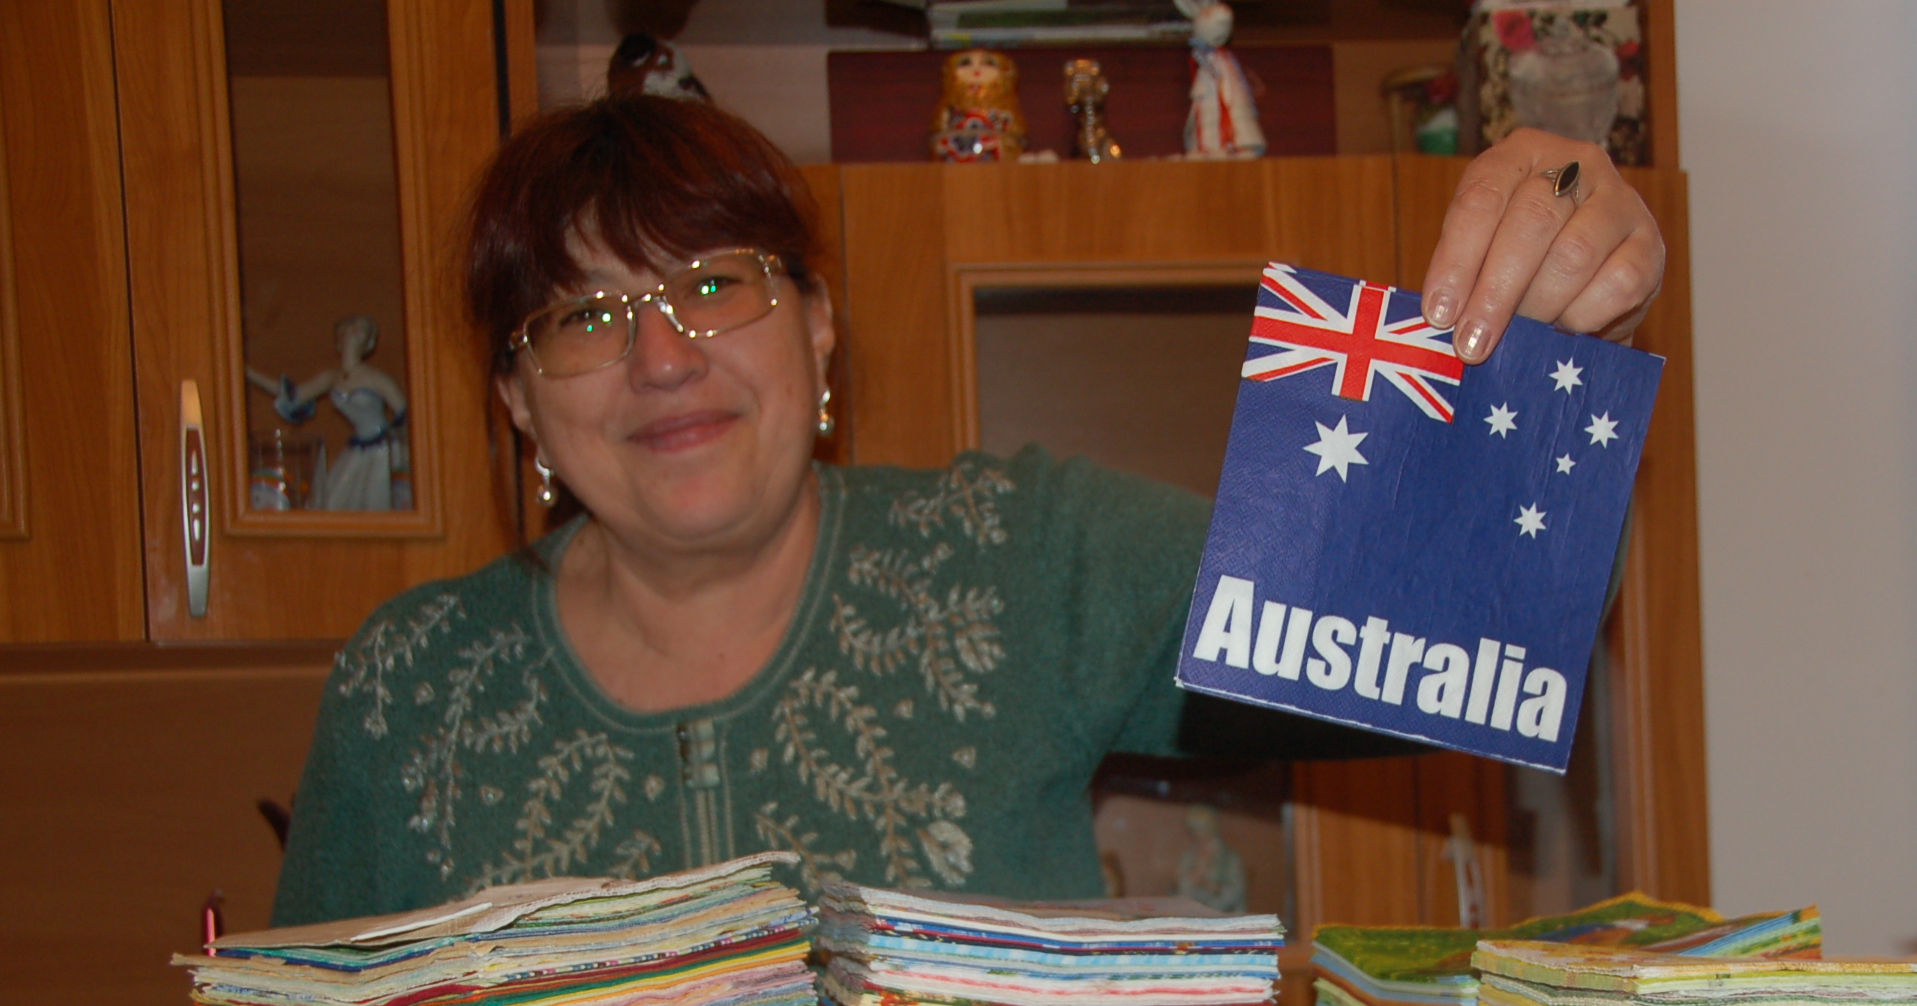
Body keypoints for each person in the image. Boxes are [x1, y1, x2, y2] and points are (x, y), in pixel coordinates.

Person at [270, 95, 1662, 926]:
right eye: (584, 316)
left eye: (713, 285)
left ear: (819, 325)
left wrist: (1555, 347)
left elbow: (1482, 625)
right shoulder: (407, 691)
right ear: (519, 402)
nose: (662, 358)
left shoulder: (1021, 560)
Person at [246, 315, 410, 513]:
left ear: (368, 343)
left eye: (362, 329)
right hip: (358, 449)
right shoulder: (331, 378)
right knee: (333, 500)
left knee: (378, 502)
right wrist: (247, 372)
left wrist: (403, 452)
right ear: (339, 340)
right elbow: (293, 396)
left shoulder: (377, 379)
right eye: (350, 328)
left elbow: (407, 415)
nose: (355, 331)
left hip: (382, 451)